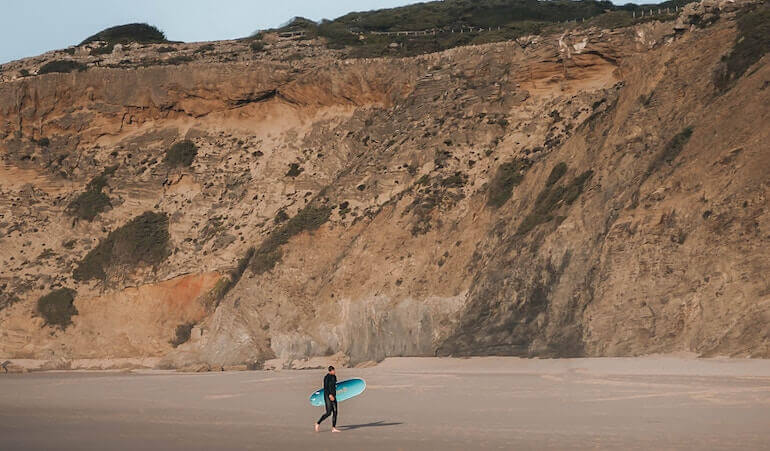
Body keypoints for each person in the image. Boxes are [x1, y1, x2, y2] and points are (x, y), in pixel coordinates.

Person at [315, 366, 340, 432]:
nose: (334, 371)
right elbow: (325, 388)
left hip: (333, 396)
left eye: (334, 370)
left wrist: (335, 394)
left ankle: (333, 428)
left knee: (335, 411)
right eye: (333, 371)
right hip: (327, 396)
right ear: (330, 371)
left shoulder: (334, 377)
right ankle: (318, 423)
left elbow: (334, 386)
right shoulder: (326, 377)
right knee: (328, 413)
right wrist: (330, 395)